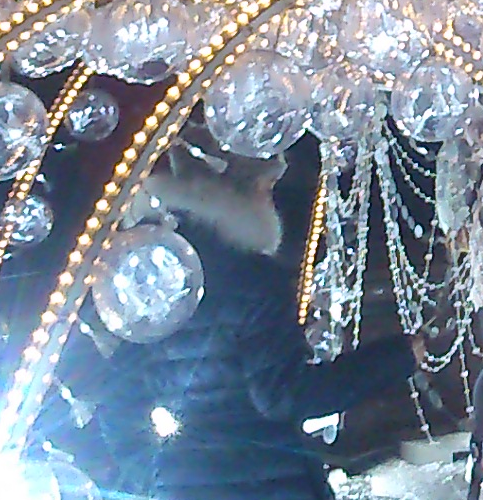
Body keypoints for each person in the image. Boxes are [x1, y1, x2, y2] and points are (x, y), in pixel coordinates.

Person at [83, 150, 419, 500]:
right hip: (269, 482)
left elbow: (117, 399)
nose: (271, 200)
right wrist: (396, 358)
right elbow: (283, 395)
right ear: (235, 193)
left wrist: (156, 474)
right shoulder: (252, 281)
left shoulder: (150, 279)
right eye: (266, 186)